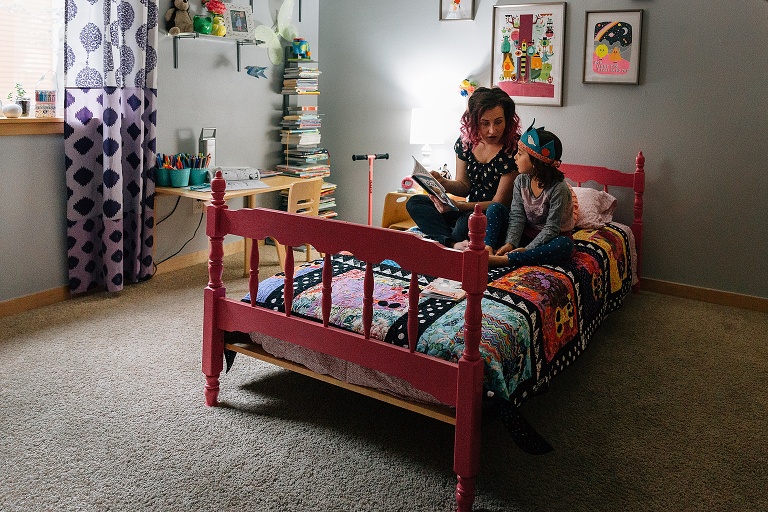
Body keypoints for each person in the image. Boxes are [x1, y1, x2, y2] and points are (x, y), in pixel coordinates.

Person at [406, 86, 520, 248]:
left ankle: (448, 238)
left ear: (507, 120)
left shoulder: (514, 149)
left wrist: (459, 207)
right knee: (415, 202)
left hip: (495, 216)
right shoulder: (466, 142)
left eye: (498, 122)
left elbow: (498, 203)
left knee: (463, 226)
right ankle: (452, 243)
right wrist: (442, 182)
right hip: (467, 209)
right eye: (485, 123)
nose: (492, 130)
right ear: (474, 121)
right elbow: (464, 186)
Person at [485, 121, 576, 269]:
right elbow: (517, 215)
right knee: (495, 208)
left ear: (536, 162)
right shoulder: (521, 180)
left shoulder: (559, 189)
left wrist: (528, 249)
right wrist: (510, 243)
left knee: (565, 246)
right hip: (524, 234)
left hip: (549, 238)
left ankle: (507, 260)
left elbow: (551, 229)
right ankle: (487, 249)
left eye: (520, 154)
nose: (515, 157)